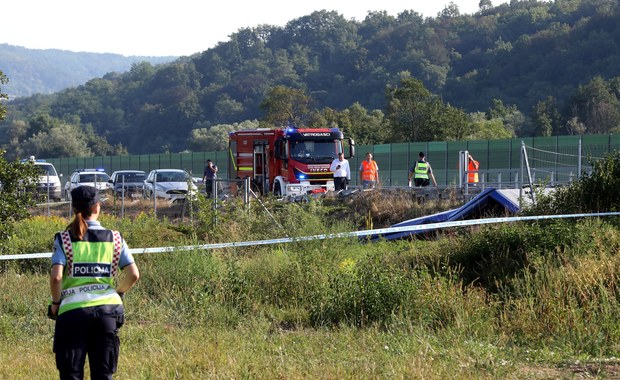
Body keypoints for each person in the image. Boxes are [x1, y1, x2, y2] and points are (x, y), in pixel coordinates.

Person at [49, 185, 139, 380]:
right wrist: (118, 293)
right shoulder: (115, 238)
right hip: (107, 314)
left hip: (72, 315)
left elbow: (56, 277)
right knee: (104, 375)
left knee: (71, 375)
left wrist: (56, 304)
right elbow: (133, 274)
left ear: (73, 209)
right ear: (97, 207)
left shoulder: (64, 239)